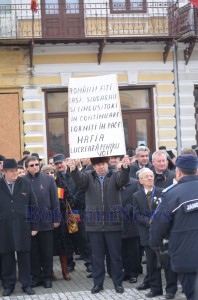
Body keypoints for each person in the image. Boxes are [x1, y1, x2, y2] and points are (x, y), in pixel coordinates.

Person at [67, 155, 130, 294]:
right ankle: (98, 284)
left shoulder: (115, 176)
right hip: (94, 225)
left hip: (113, 223)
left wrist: (125, 168)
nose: (101, 167)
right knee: (97, 257)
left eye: (103, 164)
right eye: (98, 165)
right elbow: (79, 181)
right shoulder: (88, 177)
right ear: (94, 166)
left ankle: (118, 283)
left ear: (107, 164)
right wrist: (73, 169)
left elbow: (123, 180)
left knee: (115, 256)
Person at [150, 154, 198, 300]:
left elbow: (158, 226)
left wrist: (156, 245)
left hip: (186, 257)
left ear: (178, 172)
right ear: (196, 170)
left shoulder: (171, 195)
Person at [0, 158, 38, 296]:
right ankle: (8, 285)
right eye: (11, 171)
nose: (15, 173)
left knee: (24, 255)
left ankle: (26, 284)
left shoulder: (25, 184)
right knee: (6, 256)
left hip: (23, 226)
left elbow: (34, 205)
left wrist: (35, 226)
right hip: (3, 227)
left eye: (16, 170)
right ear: (4, 172)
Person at [25, 156, 60, 289]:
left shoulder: (48, 179)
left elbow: (55, 201)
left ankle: (47, 277)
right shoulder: (22, 181)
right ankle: (36, 277)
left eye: (36, 164)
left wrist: (56, 219)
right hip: (30, 224)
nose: (35, 167)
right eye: (32, 165)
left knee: (46, 252)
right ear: (26, 168)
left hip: (46, 222)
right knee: (33, 253)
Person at [133, 168, 164, 298]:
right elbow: (136, 215)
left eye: (151, 176)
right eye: (147, 176)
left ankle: (172, 288)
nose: (150, 178)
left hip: (162, 233)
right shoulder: (136, 195)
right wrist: (149, 221)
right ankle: (156, 289)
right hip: (147, 234)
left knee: (166, 262)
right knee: (151, 263)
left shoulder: (162, 192)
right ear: (141, 180)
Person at [41, 164, 74, 281]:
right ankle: (50, 273)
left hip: (61, 222)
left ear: (54, 174)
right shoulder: (41, 185)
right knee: (48, 249)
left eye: (51, 173)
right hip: (46, 221)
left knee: (63, 249)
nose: (50, 175)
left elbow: (70, 199)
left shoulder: (61, 184)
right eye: (47, 173)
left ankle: (65, 271)